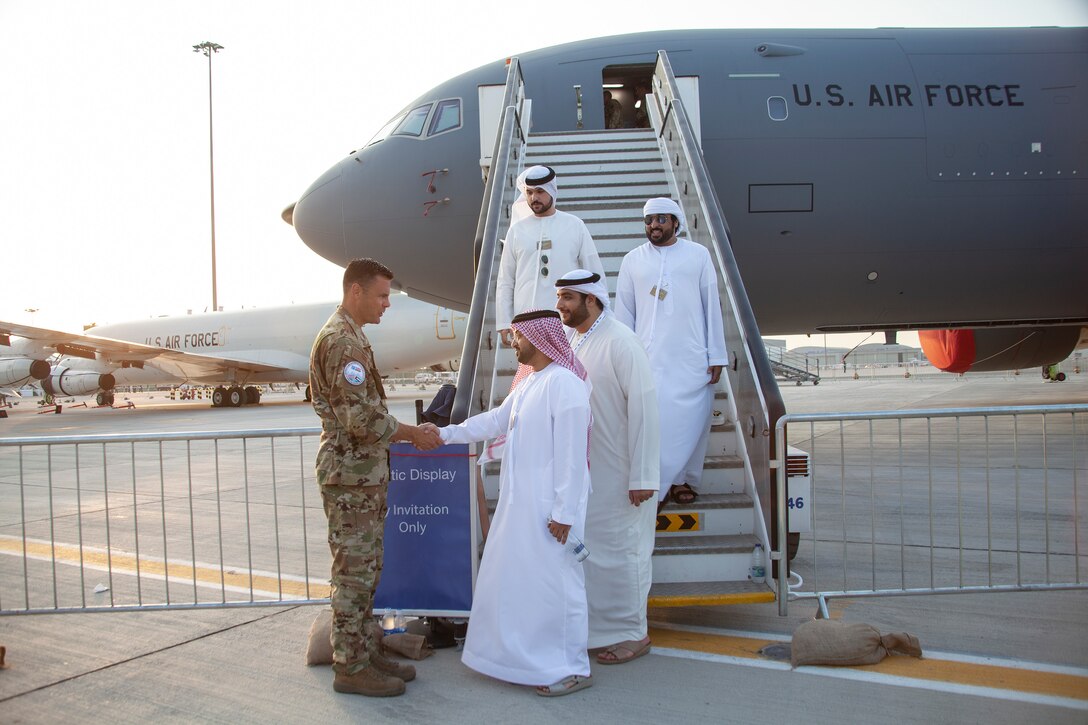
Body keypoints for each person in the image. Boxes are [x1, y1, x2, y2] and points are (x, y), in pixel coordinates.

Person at [426, 309, 594, 697]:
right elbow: (493, 422)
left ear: (538, 338)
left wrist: (564, 513)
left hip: (553, 511)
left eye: (517, 336)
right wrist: (443, 433)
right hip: (521, 506)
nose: (512, 341)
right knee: (521, 585)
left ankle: (572, 667)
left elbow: (573, 456)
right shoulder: (531, 383)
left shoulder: (565, 385)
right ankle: (523, 660)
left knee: (559, 586)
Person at [309, 257, 441, 698]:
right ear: (356, 292)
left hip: (361, 476)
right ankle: (350, 666)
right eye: (382, 295)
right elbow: (360, 419)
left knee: (367, 570)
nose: (387, 304)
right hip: (350, 478)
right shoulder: (342, 343)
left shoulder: (353, 338)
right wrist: (411, 435)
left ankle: (366, 650)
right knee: (353, 575)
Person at [554, 269, 660, 665]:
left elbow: (645, 409)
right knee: (594, 555)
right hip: (589, 473)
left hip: (622, 472)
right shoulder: (573, 340)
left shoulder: (621, 341)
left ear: (591, 300)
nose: (561, 305)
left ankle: (634, 634)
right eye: (560, 296)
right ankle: (599, 631)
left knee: (626, 552)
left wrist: (644, 475)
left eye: (567, 297)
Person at [614, 198, 727, 508]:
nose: (654, 225)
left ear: (676, 222)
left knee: (690, 421)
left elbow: (711, 307)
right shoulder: (632, 260)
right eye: (649, 219)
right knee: (653, 422)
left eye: (661, 219)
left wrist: (716, 354)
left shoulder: (698, 255)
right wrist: (622, 357)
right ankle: (654, 483)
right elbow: (624, 313)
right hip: (647, 356)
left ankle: (681, 480)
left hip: (690, 356)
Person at [496, 165, 604, 347]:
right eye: (529, 192)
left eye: (540, 191)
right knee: (531, 374)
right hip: (527, 318)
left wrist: (600, 314)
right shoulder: (516, 230)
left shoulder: (574, 225)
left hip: (568, 320)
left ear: (552, 191)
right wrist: (504, 321)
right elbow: (505, 279)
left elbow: (593, 270)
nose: (534, 198)